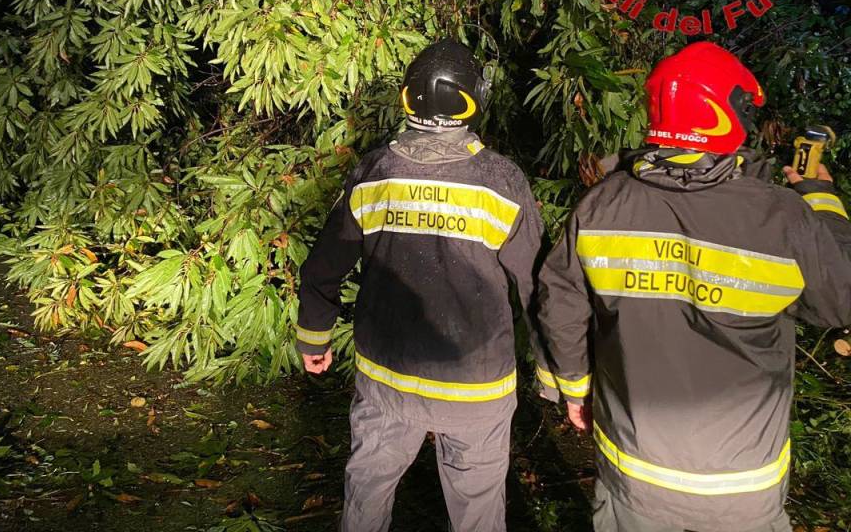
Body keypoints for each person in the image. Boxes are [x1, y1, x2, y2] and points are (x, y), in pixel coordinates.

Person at [537, 41, 851, 532]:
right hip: (742, 485)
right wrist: (822, 200)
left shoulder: (602, 204)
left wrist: (575, 390)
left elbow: (560, 300)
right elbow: (840, 299)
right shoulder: (782, 216)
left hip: (634, 472)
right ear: (731, 114)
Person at [295, 39, 555, 532]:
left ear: (408, 97)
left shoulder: (375, 172)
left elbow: (324, 265)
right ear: (475, 98)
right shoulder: (501, 181)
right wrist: (554, 370)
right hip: (475, 386)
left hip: (386, 380)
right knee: (478, 511)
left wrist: (314, 335)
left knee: (367, 492)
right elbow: (539, 287)